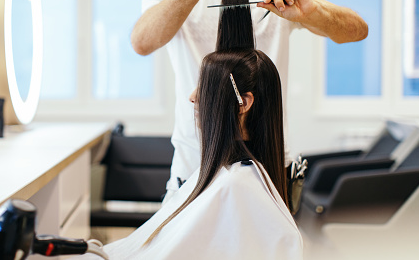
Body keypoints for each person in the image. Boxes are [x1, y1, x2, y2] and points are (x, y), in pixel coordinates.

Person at [130, 0, 368, 203]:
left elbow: (358, 30)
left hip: (268, 172)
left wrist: (311, 13)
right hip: (194, 171)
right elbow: (141, 42)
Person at [75, 48, 303, 260]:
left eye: (205, 86)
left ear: (242, 103)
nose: (193, 96)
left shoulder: (235, 185)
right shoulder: (231, 178)